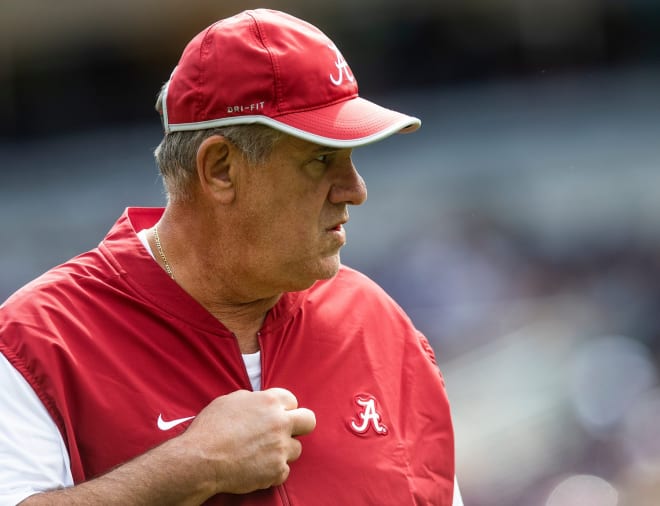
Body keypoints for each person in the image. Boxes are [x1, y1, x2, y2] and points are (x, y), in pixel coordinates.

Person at [0, 8, 462, 506]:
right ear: (220, 169)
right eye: (322, 159)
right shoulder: (37, 343)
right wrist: (188, 468)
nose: (355, 191)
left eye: (352, 160)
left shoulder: (380, 328)